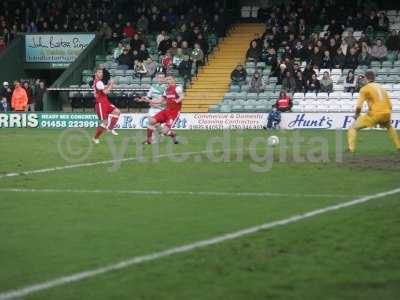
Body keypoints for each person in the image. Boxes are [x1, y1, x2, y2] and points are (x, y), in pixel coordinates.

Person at [347, 71, 400, 153]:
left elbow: (358, 106)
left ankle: (351, 149)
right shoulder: (381, 87)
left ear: (366, 78)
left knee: (352, 128)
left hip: (375, 114)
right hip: (387, 112)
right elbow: (389, 103)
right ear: (374, 78)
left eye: (364, 78)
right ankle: (398, 146)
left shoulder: (364, 88)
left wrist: (357, 115)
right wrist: (387, 114)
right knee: (389, 127)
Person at [142, 76, 183, 144]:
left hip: (173, 113)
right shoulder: (166, 90)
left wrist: (177, 101)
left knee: (164, 132)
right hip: (166, 111)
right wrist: (149, 100)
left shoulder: (177, 88)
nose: (168, 81)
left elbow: (182, 97)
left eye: (169, 79)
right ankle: (149, 140)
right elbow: (160, 100)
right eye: (167, 80)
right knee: (151, 121)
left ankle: (173, 135)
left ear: (174, 80)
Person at [92, 68, 120, 144]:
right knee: (105, 122)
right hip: (100, 103)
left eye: (102, 72)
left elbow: (103, 89)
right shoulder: (98, 82)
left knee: (117, 111)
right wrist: (111, 84)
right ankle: (95, 138)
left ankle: (110, 128)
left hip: (105, 102)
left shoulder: (98, 82)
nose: (101, 74)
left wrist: (108, 85)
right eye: (99, 72)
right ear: (96, 74)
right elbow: (106, 92)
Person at [140, 73, 167, 143]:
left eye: (162, 78)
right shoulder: (153, 87)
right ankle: (154, 138)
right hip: (152, 108)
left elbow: (165, 101)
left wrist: (157, 103)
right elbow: (148, 96)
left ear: (164, 79)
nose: (161, 79)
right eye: (159, 77)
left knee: (156, 124)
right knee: (151, 123)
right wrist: (143, 98)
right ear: (157, 78)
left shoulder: (166, 88)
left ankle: (155, 138)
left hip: (160, 109)